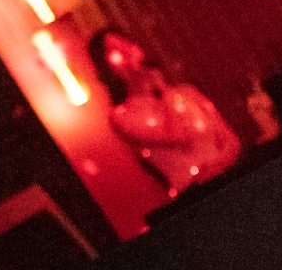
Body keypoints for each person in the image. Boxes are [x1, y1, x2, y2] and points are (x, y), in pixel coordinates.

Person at [87, 27, 241, 194]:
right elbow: (178, 134)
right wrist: (160, 90)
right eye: (115, 53)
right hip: (195, 196)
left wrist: (218, 167)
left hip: (233, 178)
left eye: (126, 46)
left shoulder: (187, 93)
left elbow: (230, 140)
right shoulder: (123, 117)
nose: (126, 55)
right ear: (107, 69)